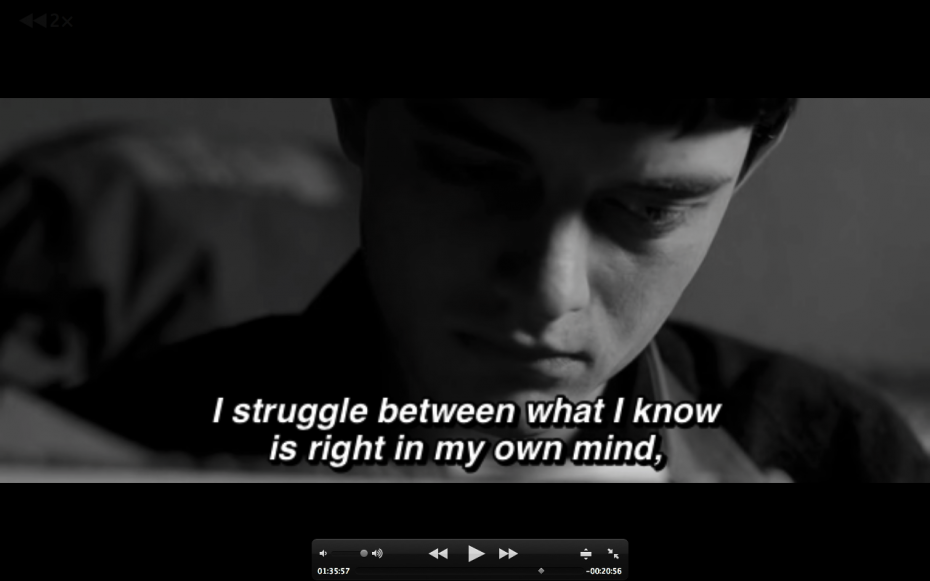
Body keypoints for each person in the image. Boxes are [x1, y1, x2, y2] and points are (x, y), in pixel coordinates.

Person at [7, 98, 930, 482]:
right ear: (357, 109)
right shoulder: (116, 450)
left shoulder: (841, 455)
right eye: (476, 176)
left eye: (650, 209)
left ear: (748, 169)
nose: (547, 294)